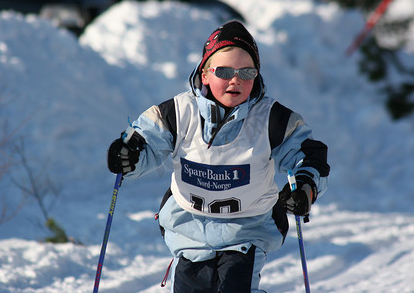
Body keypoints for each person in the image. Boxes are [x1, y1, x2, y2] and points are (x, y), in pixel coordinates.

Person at [107, 20, 330, 293]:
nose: (236, 79)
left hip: (247, 229)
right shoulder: (178, 113)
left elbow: (306, 156)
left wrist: (305, 187)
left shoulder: (272, 119)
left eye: (246, 72)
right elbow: (147, 143)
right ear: (205, 74)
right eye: (224, 71)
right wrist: (129, 155)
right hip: (188, 227)